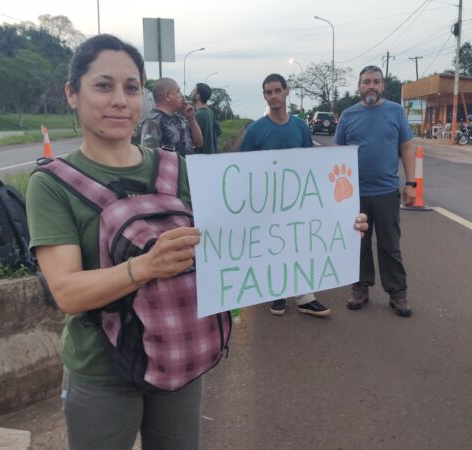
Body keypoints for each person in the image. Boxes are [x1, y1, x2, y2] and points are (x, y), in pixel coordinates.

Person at [26, 35, 369, 449]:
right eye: (103, 85)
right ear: (72, 93)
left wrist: (330, 223)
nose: (119, 100)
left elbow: (248, 234)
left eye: (131, 88)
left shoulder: (177, 169)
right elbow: (67, 292)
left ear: (143, 98)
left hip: (182, 357)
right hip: (102, 373)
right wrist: (146, 267)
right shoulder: (52, 184)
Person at [239, 73, 331, 318]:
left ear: (287, 91)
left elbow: (309, 162)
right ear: (264, 96)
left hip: (297, 200)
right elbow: (242, 166)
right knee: (272, 247)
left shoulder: (300, 126)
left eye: (277, 91)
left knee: (300, 247)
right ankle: (276, 293)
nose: (273, 96)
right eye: (268, 92)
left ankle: (305, 297)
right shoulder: (255, 130)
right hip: (266, 202)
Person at [334, 65, 416, 318]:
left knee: (390, 245)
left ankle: (397, 293)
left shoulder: (396, 111)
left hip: (386, 191)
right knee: (358, 244)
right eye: (366, 81)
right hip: (353, 194)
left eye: (376, 82)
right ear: (358, 86)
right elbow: (337, 152)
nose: (371, 86)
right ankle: (360, 288)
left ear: (383, 86)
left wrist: (411, 183)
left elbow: (407, 145)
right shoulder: (348, 115)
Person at [140, 77, 202, 156]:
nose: (182, 96)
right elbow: (148, 157)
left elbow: (198, 143)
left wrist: (191, 118)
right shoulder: (153, 121)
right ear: (168, 95)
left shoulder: (180, 118)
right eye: (178, 91)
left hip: (187, 167)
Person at [191, 82, 218, 154]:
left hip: (201, 156)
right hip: (211, 154)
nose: (192, 92)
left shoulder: (198, 115)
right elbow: (218, 131)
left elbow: (193, 141)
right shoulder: (210, 112)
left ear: (198, 96)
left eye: (194, 90)